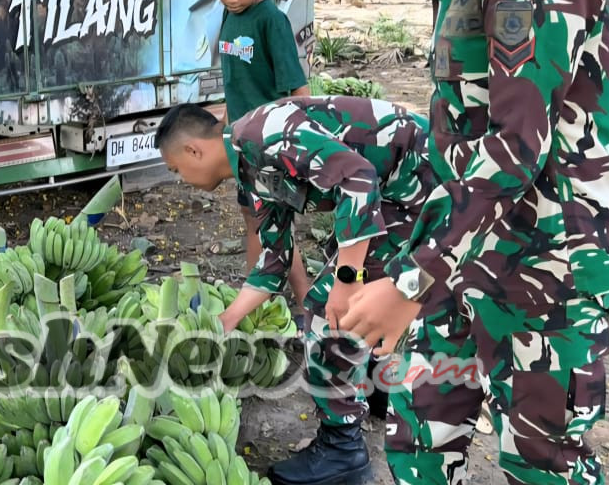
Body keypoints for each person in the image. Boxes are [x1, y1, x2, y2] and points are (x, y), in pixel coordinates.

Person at [336, 0, 609, 485]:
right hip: (464, 261)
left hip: (547, 270)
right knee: (415, 443)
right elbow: (463, 137)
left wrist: (409, 281)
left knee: (545, 467)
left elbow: (516, 147)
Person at [155, 97, 438, 485]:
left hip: (430, 185)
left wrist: (346, 280)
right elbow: (276, 256)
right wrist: (228, 319)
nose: (180, 179)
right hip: (397, 194)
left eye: (176, 169)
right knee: (356, 293)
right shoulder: (249, 168)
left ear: (194, 149)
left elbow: (357, 177)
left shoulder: (262, 136)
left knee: (326, 313)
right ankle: (377, 383)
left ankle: (343, 450)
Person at [211, 0, 313, 329]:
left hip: (270, 142)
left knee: (273, 226)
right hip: (242, 142)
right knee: (254, 220)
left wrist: (298, 142)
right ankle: (266, 297)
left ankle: (301, 305)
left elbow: (299, 91)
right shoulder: (228, 16)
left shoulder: (272, 21)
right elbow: (234, 80)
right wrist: (225, 124)